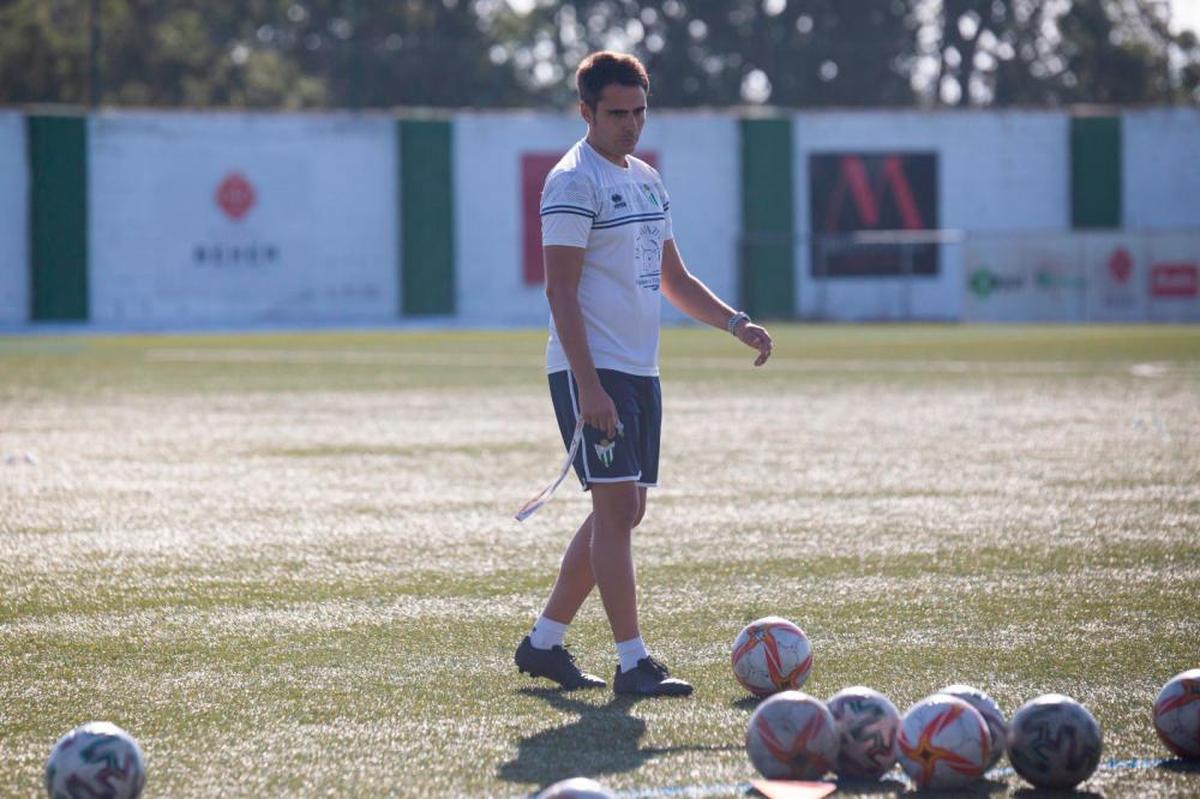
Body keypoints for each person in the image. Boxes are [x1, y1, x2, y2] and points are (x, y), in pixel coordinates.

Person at [514, 51, 774, 697]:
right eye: (616, 113)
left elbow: (674, 279)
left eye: (639, 112)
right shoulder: (573, 182)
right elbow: (559, 292)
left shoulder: (648, 179)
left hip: (638, 369)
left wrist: (735, 322)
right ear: (586, 112)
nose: (630, 125)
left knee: (625, 508)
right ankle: (633, 661)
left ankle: (544, 643)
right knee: (614, 505)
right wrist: (590, 386)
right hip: (593, 369)